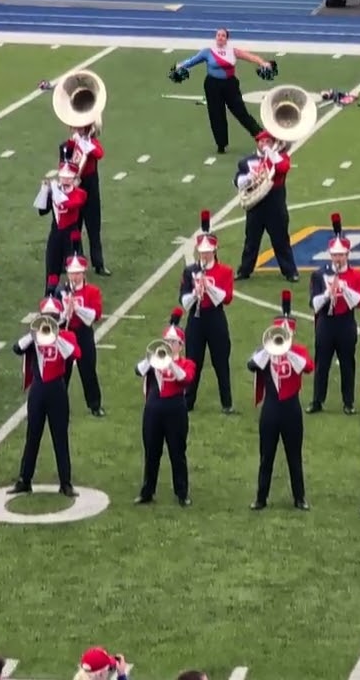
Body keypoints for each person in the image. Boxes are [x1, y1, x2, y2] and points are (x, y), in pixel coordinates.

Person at [9, 277, 81, 498]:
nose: (49, 321)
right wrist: (34, 334)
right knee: (33, 434)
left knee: (60, 436)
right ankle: (24, 479)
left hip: (57, 389)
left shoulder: (67, 335)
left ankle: (65, 482)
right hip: (38, 390)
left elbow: (75, 354)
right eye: (45, 317)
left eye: (52, 317)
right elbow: (17, 348)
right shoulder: (35, 337)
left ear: (58, 318)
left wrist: (56, 335)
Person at [249, 290, 314, 511]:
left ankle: (300, 497)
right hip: (271, 408)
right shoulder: (265, 352)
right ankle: (260, 497)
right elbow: (252, 364)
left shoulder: (298, 351)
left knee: (294, 456)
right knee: (266, 455)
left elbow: (308, 367)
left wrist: (288, 350)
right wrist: (271, 350)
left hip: (291, 409)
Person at [169, 28, 272, 153]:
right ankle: (221, 144)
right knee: (216, 114)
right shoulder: (207, 52)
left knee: (241, 112)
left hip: (230, 85)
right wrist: (179, 66)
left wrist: (263, 63)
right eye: (218, 35)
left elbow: (250, 57)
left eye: (223, 35)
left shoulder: (233, 51)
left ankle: (261, 137)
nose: (220, 37)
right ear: (215, 37)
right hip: (212, 85)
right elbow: (192, 61)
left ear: (227, 38)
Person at [308, 214, 360, 415]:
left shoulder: (357, 276)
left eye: (341, 255)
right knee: (322, 363)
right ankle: (317, 400)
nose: (337, 258)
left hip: (345, 322)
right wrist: (328, 293)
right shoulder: (319, 275)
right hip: (325, 321)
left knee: (347, 363)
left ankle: (348, 402)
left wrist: (344, 289)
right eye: (334, 255)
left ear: (347, 254)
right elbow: (314, 303)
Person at [134, 309, 196, 506]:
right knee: (151, 451)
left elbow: (185, 379)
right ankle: (147, 491)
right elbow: (138, 370)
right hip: (153, 409)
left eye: (173, 343)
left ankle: (182, 492)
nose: (169, 346)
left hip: (175, 409)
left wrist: (170, 363)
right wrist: (153, 358)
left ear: (180, 345)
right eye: (166, 342)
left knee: (177, 452)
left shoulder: (187, 363)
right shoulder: (155, 361)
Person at [180, 210, 236, 413]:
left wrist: (208, 287)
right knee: (193, 360)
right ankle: (188, 401)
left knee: (221, 360)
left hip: (215, 318)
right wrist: (196, 293)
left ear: (214, 251)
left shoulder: (225, 271)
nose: (204, 255)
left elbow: (227, 298)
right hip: (196, 319)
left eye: (207, 251)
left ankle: (227, 403)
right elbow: (183, 300)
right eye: (201, 251)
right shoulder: (189, 271)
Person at [234, 130, 299, 283]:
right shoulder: (247, 161)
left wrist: (271, 153)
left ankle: (290, 271)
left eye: (268, 142)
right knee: (251, 240)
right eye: (262, 142)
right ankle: (245, 270)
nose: (264, 145)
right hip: (255, 206)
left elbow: (282, 168)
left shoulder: (280, 157)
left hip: (275, 206)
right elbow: (237, 179)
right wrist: (246, 179)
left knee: (281, 240)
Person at [62, 232, 105, 417]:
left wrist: (76, 308)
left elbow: (94, 315)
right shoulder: (60, 290)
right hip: (66, 333)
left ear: (83, 273)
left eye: (77, 273)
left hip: (83, 333)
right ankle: (60, 407)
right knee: (62, 373)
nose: (74, 276)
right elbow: (55, 315)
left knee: (88, 369)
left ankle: (95, 404)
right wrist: (65, 310)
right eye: (72, 273)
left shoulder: (92, 291)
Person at [60, 122, 109, 275]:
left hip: (90, 184)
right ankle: (72, 260)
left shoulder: (91, 143)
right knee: (74, 226)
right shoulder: (68, 144)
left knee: (94, 225)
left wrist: (84, 142)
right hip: (75, 185)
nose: (78, 129)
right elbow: (63, 162)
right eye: (76, 127)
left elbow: (100, 153)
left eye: (81, 127)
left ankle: (99, 264)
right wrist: (74, 144)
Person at [35, 161, 86, 280]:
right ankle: (50, 295)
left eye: (68, 178)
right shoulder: (55, 192)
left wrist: (54, 190)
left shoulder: (80, 193)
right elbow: (42, 211)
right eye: (63, 177)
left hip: (71, 235)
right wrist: (44, 190)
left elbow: (67, 204)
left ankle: (75, 293)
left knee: (74, 267)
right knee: (52, 268)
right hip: (55, 233)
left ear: (74, 178)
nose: (65, 180)